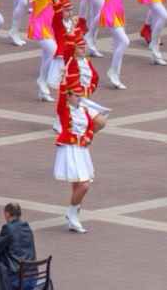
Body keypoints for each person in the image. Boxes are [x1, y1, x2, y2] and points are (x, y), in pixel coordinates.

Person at [54, 79, 102, 233]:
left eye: (80, 95)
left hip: (82, 150)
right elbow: (61, 93)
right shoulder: (64, 109)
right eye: (75, 95)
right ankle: (72, 213)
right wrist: (65, 76)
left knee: (77, 185)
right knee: (84, 185)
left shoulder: (84, 109)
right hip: (70, 149)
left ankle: (73, 220)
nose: (78, 98)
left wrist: (89, 136)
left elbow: (90, 127)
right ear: (68, 96)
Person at [0, 203, 36, 290]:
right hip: (32, 276)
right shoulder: (27, 226)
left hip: (17, 278)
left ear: (7, 214)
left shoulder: (8, 228)